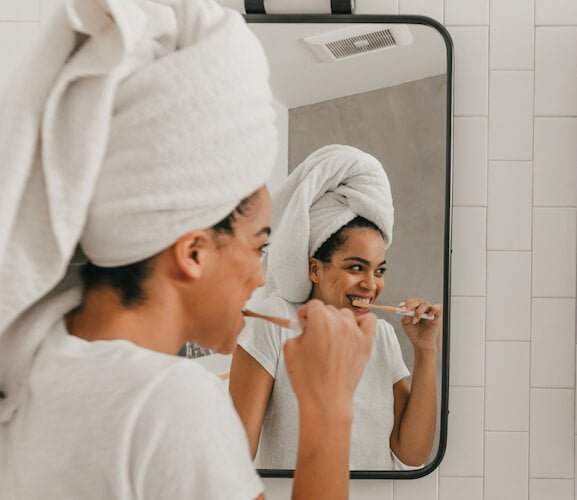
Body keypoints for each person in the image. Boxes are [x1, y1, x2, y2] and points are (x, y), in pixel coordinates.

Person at [0, 1, 369, 499]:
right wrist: (329, 406)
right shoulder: (168, 398)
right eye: (258, 246)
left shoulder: (34, 370)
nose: (262, 278)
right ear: (193, 251)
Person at [230, 144, 442, 470]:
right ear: (315, 269)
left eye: (379, 270)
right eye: (356, 267)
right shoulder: (273, 322)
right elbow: (235, 457)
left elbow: (412, 454)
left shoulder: (381, 335)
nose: (371, 284)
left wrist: (425, 350)